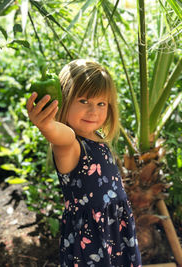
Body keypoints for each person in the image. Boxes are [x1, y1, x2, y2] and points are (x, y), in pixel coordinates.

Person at [27, 59, 142, 267]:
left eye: (101, 103)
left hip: (114, 230)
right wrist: (46, 125)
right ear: (63, 101)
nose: (94, 111)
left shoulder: (97, 138)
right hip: (91, 241)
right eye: (83, 101)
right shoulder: (70, 145)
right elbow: (60, 134)